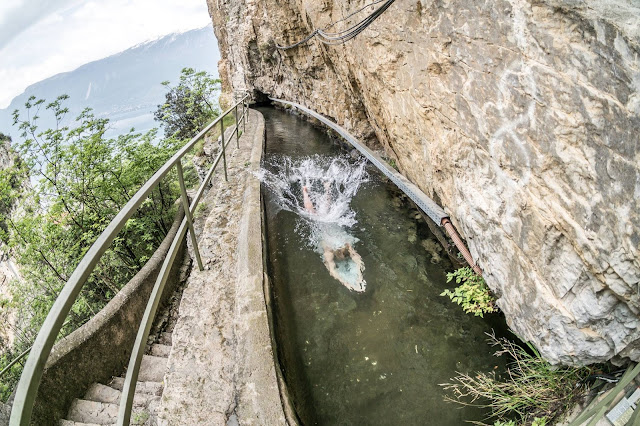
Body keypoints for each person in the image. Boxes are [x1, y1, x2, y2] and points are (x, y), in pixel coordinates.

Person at [302, 182, 366, 292]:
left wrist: (358, 278)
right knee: (320, 211)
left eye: (342, 255)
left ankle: (313, 190)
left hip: (325, 224)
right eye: (344, 255)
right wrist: (347, 282)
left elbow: (354, 260)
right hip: (326, 224)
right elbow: (334, 270)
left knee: (320, 210)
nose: (343, 256)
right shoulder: (335, 250)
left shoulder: (338, 249)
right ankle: (317, 190)